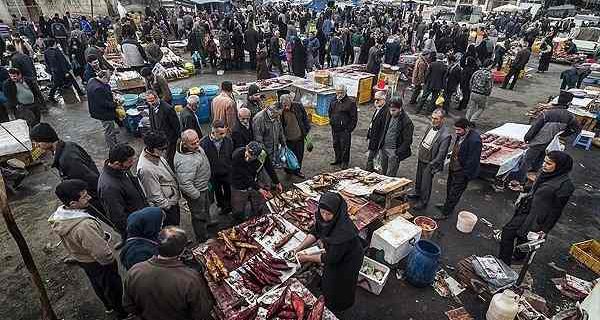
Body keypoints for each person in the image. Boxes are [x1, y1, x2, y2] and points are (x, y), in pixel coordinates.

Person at [49, 180, 127, 318]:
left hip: (82, 258)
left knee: (97, 283)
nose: (89, 197)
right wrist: (110, 260)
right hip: (98, 262)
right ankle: (121, 312)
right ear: (73, 203)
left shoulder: (61, 216)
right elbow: (102, 254)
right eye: (84, 196)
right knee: (112, 287)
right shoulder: (84, 226)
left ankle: (108, 307)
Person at [499, 151, 574, 266]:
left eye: (549, 163)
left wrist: (545, 229)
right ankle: (508, 260)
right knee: (512, 233)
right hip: (526, 209)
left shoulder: (565, 186)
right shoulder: (544, 172)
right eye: (544, 161)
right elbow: (535, 186)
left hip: (538, 218)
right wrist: (523, 188)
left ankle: (511, 260)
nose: (544, 165)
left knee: (518, 236)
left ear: (560, 166)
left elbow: (556, 210)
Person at [293, 192, 363, 315]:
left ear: (336, 213)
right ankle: (327, 295)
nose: (324, 217)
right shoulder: (324, 217)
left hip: (349, 259)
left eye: (329, 214)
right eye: (322, 212)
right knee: (329, 277)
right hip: (335, 253)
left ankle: (337, 307)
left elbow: (331, 258)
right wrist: (299, 248)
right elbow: (316, 231)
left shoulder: (342, 230)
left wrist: (306, 258)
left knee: (339, 282)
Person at [123, 227, 214, 320]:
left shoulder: (134, 271)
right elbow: (200, 313)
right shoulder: (190, 279)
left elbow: (128, 306)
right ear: (182, 251)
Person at [30, 123, 111, 224]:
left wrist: (89, 198)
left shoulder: (68, 159)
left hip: (94, 197)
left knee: (112, 220)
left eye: (38, 142)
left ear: (47, 138)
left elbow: (88, 179)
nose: (37, 145)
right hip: (95, 194)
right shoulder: (69, 145)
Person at [512, 91, 580, 186]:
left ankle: (519, 180)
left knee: (527, 161)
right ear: (568, 103)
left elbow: (535, 127)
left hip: (538, 142)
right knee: (541, 159)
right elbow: (575, 129)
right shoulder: (570, 116)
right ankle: (533, 176)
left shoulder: (547, 113)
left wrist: (527, 137)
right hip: (550, 143)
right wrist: (563, 134)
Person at [98, 143, 147, 249]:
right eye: (130, 161)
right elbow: (118, 217)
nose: (132, 163)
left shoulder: (121, 170)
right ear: (117, 163)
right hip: (135, 225)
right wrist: (134, 231)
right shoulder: (109, 187)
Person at [433, 118, 482, 220]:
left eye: (459, 130)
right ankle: (447, 205)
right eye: (455, 129)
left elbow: (473, 161)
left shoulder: (475, 140)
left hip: (462, 171)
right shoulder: (461, 135)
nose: (456, 132)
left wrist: (464, 175)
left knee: (455, 193)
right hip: (454, 167)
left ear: (467, 128)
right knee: (449, 188)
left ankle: (446, 213)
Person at [408, 109, 451, 210]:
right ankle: (417, 193)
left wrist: (433, 164)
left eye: (436, 119)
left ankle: (423, 202)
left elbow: (441, 154)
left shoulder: (445, 135)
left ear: (442, 120)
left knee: (426, 183)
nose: (433, 120)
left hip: (430, 162)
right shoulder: (430, 126)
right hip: (422, 157)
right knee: (419, 178)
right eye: (432, 118)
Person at [174, 129, 213, 242]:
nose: (197, 145)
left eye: (197, 141)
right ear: (185, 143)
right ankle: (202, 237)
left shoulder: (192, 149)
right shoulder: (185, 162)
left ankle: (208, 224)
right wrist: (197, 195)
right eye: (193, 143)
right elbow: (185, 184)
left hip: (203, 187)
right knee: (198, 216)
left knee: (206, 208)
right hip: (197, 191)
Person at [137, 131, 181, 227]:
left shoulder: (156, 154)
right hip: (166, 206)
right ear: (151, 148)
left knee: (176, 225)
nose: (165, 151)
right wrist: (167, 206)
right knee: (171, 230)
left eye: (166, 148)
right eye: (162, 149)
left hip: (171, 199)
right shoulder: (146, 169)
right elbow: (154, 195)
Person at [231, 141, 282, 222]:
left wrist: (277, 182)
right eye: (248, 153)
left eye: (252, 157)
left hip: (253, 181)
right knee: (238, 209)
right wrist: (260, 189)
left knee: (257, 204)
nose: (248, 157)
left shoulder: (263, 154)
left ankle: (257, 218)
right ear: (246, 147)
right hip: (239, 184)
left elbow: (269, 167)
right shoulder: (237, 155)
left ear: (258, 156)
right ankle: (239, 222)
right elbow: (245, 176)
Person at [367, 98, 414, 177]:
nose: (391, 112)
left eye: (394, 110)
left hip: (394, 151)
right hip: (384, 148)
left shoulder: (407, 122)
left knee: (390, 175)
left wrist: (397, 152)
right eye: (390, 110)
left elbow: (408, 141)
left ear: (400, 108)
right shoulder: (388, 114)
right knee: (382, 171)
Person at [200, 120, 233, 216]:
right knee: (217, 192)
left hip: (226, 172)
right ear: (213, 132)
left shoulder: (228, 141)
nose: (223, 135)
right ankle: (222, 207)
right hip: (213, 174)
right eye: (221, 133)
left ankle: (228, 207)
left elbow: (230, 155)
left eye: (224, 132)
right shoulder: (203, 143)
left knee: (228, 190)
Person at [145, 90, 181, 168]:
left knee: (169, 158)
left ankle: (171, 171)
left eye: (152, 100)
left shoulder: (168, 109)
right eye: (149, 101)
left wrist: (178, 138)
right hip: (159, 139)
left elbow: (176, 126)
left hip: (169, 139)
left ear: (157, 98)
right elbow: (152, 122)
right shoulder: (151, 108)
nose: (151, 103)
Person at [280, 94, 310, 178]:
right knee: (288, 157)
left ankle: (297, 171)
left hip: (299, 137)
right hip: (288, 139)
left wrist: (306, 129)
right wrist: (282, 139)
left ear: (290, 102)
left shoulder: (298, 106)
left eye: (287, 105)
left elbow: (305, 118)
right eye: (284, 105)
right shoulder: (280, 112)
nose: (286, 107)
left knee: (299, 155)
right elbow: (280, 126)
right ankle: (288, 171)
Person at [87, 70, 119, 149]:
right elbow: (104, 103)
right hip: (104, 113)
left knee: (110, 128)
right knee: (109, 131)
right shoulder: (98, 88)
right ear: (104, 77)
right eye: (108, 80)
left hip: (97, 110)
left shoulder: (92, 80)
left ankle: (115, 143)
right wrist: (116, 104)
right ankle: (113, 148)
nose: (108, 82)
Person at [329, 85, 358, 169]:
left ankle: (345, 162)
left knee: (345, 146)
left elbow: (354, 118)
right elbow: (330, 112)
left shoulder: (350, 103)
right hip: (335, 128)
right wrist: (332, 122)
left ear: (345, 92)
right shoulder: (333, 100)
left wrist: (349, 129)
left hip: (345, 130)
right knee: (336, 144)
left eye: (341, 92)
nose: (339, 94)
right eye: (338, 92)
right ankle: (338, 159)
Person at [365, 91, 389, 172]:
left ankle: (368, 173)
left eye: (378, 99)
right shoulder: (379, 108)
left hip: (377, 141)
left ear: (383, 99)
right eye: (375, 99)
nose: (376, 101)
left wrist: (379, 144)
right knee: (371, 159)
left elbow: (382, 129)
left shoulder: (386, 112)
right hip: (373, 139)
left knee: (372, 160)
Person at [465, 59, 493, 124]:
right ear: (490, 65)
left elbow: (470, 81)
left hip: (473, 92)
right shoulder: (489, 74)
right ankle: (473, 119)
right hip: (482, 94)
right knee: (481, 108)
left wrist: (471, 89)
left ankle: (466, 120)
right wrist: (487, 94)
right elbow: (489, 86)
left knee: (471, 108)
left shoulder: (477, 72)